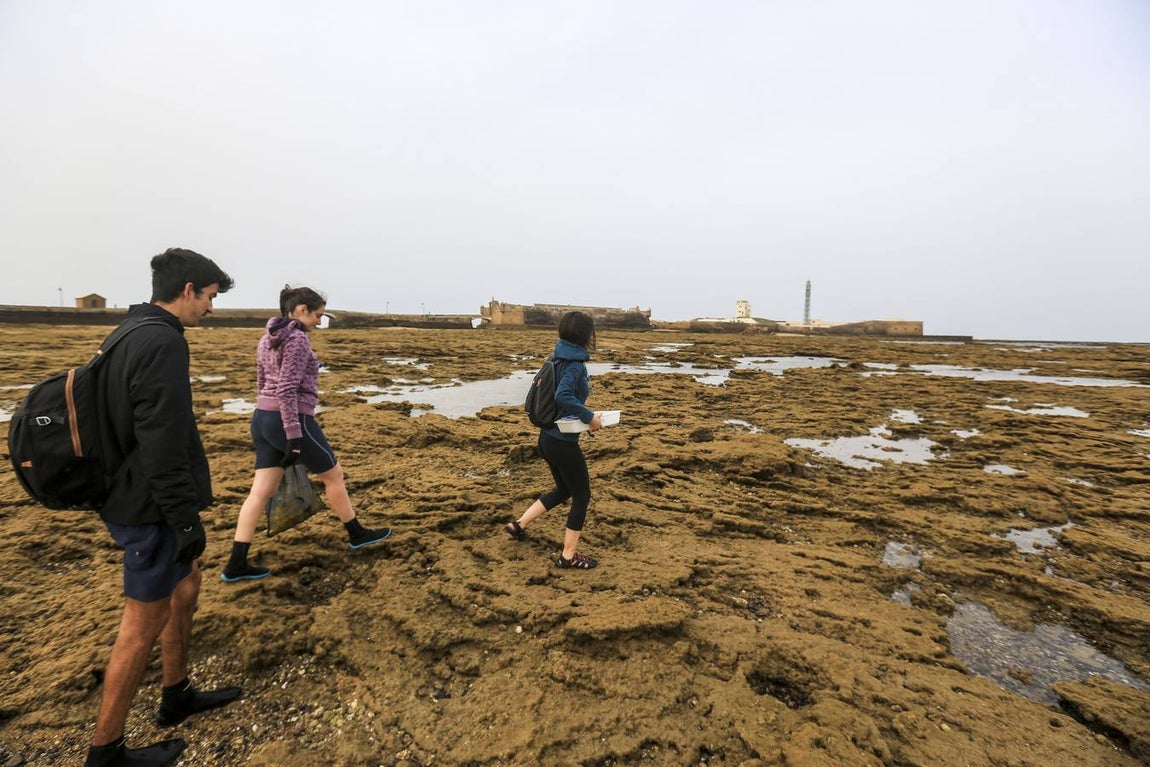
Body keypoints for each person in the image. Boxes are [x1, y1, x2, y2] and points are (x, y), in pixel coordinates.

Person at [87, 248, 242, 767]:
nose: (212, 309)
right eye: (211, 297)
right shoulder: (161, 343)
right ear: (187, 290)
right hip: (147, 505)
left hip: (134, 494)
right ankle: (105, 750)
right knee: (140, 624)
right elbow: (161, 440)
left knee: (187, 585)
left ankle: (176, 694)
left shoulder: (130, 331)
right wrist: (182, 518)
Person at [221, 285, 391, 582]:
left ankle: (236, 562)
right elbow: (287, 388)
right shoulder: (297, 339)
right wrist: (294, 435)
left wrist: (270, 419)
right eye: (318, 315)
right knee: (333, 475)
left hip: (262, 417)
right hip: (292, 419)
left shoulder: (266, 338)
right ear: (301, 311)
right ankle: (357, 533)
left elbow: (263, 382)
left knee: (260, 490)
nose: (319, 322)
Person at [505, 311, 603, 569]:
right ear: (587, 335)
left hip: (547, 439)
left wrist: (584, 421)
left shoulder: (555, 359)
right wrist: (590, 417)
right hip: (562, 444)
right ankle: (568, 557)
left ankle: (518, 525)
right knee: (582, 496)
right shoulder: (574, 365)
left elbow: (560, 404)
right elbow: (563, 396)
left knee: (564, 490)